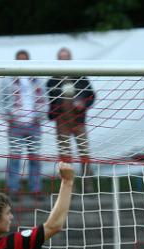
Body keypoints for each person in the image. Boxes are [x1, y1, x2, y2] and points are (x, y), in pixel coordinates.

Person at [0, 49, 47, 199]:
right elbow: (0, 102)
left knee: (35, 158)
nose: (22, 62)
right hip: (15, 125)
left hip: (34, 124)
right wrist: (9, 117)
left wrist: (41, 115)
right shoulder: (7, 80)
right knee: (15, 158)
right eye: (20, 60)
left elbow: (45, 100)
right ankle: (13, 189)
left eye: (25, 59)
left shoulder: (37, 80)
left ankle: (36, 189)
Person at [46, 47, 97, 192]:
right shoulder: (52, 81)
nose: (64, 60)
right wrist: (55, 111)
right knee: (65, 157)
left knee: (84, 154)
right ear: (58, 59)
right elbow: (50, 103)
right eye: (61, 57)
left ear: (70, 58)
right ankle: (69, 188)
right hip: (62, 122)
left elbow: (91, 96)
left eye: (66, 57)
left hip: (79, 121)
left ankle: (89, 186)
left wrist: (83, 104)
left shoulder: (80, 77)